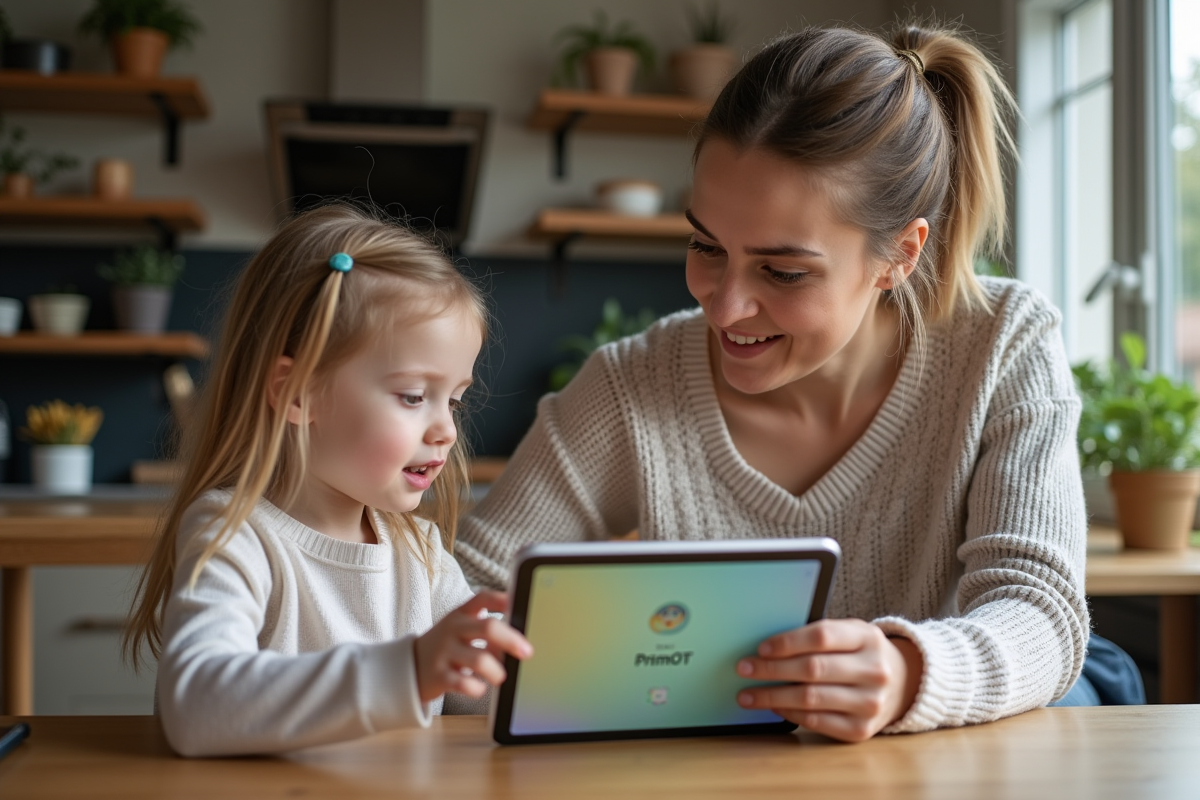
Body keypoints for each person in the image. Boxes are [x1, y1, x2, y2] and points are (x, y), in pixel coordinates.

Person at [456, 22, 1123, 742]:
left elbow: (1040, 611)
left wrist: (907, 674)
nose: (724, 302)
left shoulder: (1001, 342)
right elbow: (462, 596)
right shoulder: (630, 385)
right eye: (705, 245)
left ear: (899, 255)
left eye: (783, 270)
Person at [122, 205, 532, 757]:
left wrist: (525, 669)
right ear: (299, 393)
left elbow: (487, 702)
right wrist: (410, 670)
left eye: (454, 400)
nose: (447, 430)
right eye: (414, 396)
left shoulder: (421, 556)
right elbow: (196, 708)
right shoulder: (234, 535)